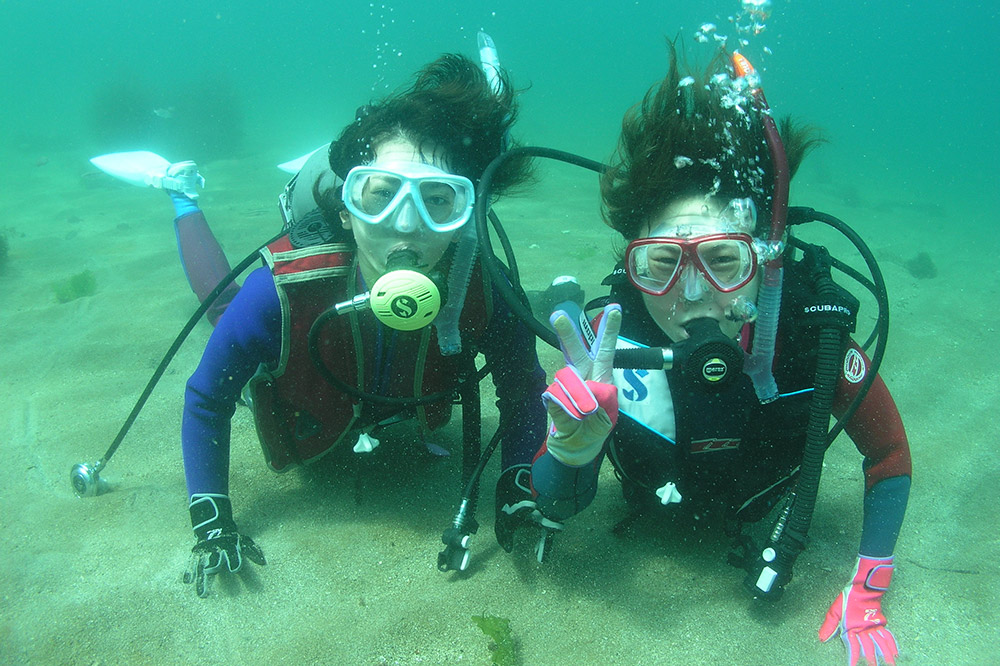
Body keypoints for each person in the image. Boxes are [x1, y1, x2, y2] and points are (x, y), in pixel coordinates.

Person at [523, 44, 911, 666]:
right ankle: (564, 292)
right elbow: (555, 504)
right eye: (662, 264)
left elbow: (888, 454)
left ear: (766, 265)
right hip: (651, 513)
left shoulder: (815, 337)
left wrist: (869, 585)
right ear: (633, 269)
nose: (694, 293)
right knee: (565, 314)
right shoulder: (607, 348)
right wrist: (570, 449)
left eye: (724, 260)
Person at [146, 54, 548, 596]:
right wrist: (212, 518)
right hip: (307, 396)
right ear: (345, 209)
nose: (406, 224)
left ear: (463, 219)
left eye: (437, 200)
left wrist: (518, 483)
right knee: (225, 309)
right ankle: (183, 197)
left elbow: (524, 391)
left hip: (393, 422)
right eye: (380, 195)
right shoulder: (280, 293)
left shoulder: (485, 290)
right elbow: (206, 398)